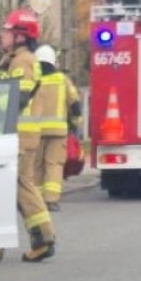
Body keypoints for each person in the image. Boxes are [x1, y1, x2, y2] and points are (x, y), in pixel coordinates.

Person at [0, 8, 56, 264]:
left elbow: (18, 97)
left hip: (15, 135)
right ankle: (42, 238)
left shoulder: (23, 60)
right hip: (18, 136)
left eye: (7, 31)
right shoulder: (16, 59)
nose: (2, 35)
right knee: (20, 187)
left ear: (20, 35)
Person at [31, 45, 82, 211]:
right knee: (54, 164)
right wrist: (76, 124)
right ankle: (51, 200)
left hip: (35, 131)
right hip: (58, 132)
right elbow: (74, 103)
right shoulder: (61, 79)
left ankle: (36, 200)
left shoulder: (32, 80)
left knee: (36, 166)